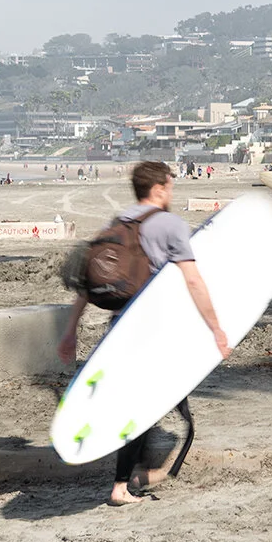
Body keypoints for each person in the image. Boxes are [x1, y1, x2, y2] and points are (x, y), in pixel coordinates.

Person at [59, 161, 232, 507]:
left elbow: (87, 285)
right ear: (158, 189)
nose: (172, 191)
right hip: (154, 331)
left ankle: (136, 471)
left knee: (147, 401)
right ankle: (122, 486)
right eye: (170, 185)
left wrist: (70, 331)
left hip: (120, 329)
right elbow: (193, 280)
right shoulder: (170, 225)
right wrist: (217, 329)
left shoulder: (120, 222)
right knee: (141, 406)